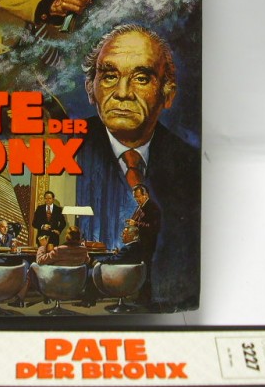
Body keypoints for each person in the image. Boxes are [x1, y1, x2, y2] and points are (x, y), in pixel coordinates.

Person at [77, 24, 200, 310]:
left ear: (168, 94)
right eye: (109, 76)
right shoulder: (61, 147)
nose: (122, 93)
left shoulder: (191, 165)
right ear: (91, 89)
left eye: (142, 78)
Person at [10, 226, 89, 308]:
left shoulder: (59, 250)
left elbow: (40, 260)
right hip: (74, 284)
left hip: (55, 283)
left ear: (67, 237)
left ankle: (20, 299)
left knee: (33, 266)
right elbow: (87, 261)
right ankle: (45, 298)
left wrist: (43, 246)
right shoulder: (84, 250)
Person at [78, 225, 143, 307]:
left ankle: (88, 300)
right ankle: (92, 298)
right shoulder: (137, 246)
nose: (121, 235)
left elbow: (115, 260)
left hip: (120, 275)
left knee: (91, 272)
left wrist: (99, 261)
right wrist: (118, 254)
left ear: (131, 235)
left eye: (124, 233)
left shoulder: (127, 248)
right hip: (129, 274)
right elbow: (122, 258)